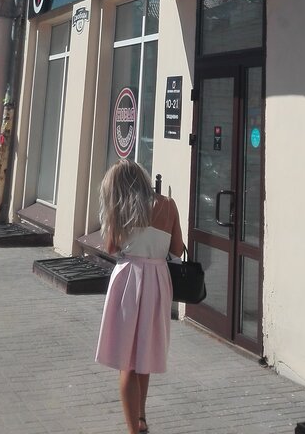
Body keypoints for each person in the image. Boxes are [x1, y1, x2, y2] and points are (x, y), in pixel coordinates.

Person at [96, 159, 184, 434]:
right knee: (144, 352)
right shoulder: (168, 205)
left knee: (126, 361)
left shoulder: (122, 208)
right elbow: (177, 250)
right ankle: (141, 417)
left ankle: (133, 429)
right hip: (157, 280)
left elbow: (111, 247)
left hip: (129, 280)